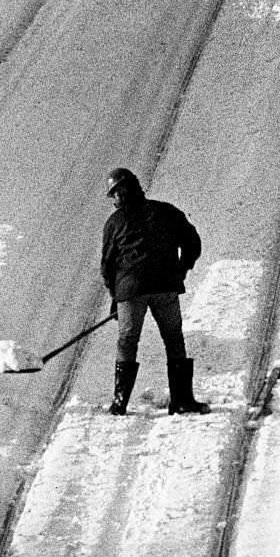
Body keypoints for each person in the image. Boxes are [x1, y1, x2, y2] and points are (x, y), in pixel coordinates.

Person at [100, 167, 210, 416]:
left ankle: (120, 403)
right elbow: (192, 243)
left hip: (130, 291)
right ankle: (181, 400)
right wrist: (181, 270)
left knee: (127, 341)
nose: (114, 200)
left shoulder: (115, 223)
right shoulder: (165, 211)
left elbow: (107, 265)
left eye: (114, 195)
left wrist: (116, 296)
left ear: (121, 192)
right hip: (164, 287)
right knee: (173, 339)